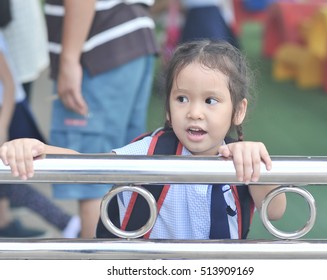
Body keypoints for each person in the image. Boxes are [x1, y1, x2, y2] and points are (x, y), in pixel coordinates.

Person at [0, 40, 287, 239]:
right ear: (167, 106)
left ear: (238, 110)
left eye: (211, 100)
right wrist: (36, 149)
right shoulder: (151, 150)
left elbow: (275, 210)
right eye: (182, 98)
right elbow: (89, 167)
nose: (194, 112)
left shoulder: (238, 159)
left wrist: (256, 161)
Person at [43, 0, 158, 238]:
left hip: (97, 47)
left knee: (93, 176)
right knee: (125, 173)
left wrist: (69, 60)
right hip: (131, 37)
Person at [0, 31, 80, 238]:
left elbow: (9, 85)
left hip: (6, 113)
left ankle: (68, 223)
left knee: (12, 174)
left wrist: (2, 126)